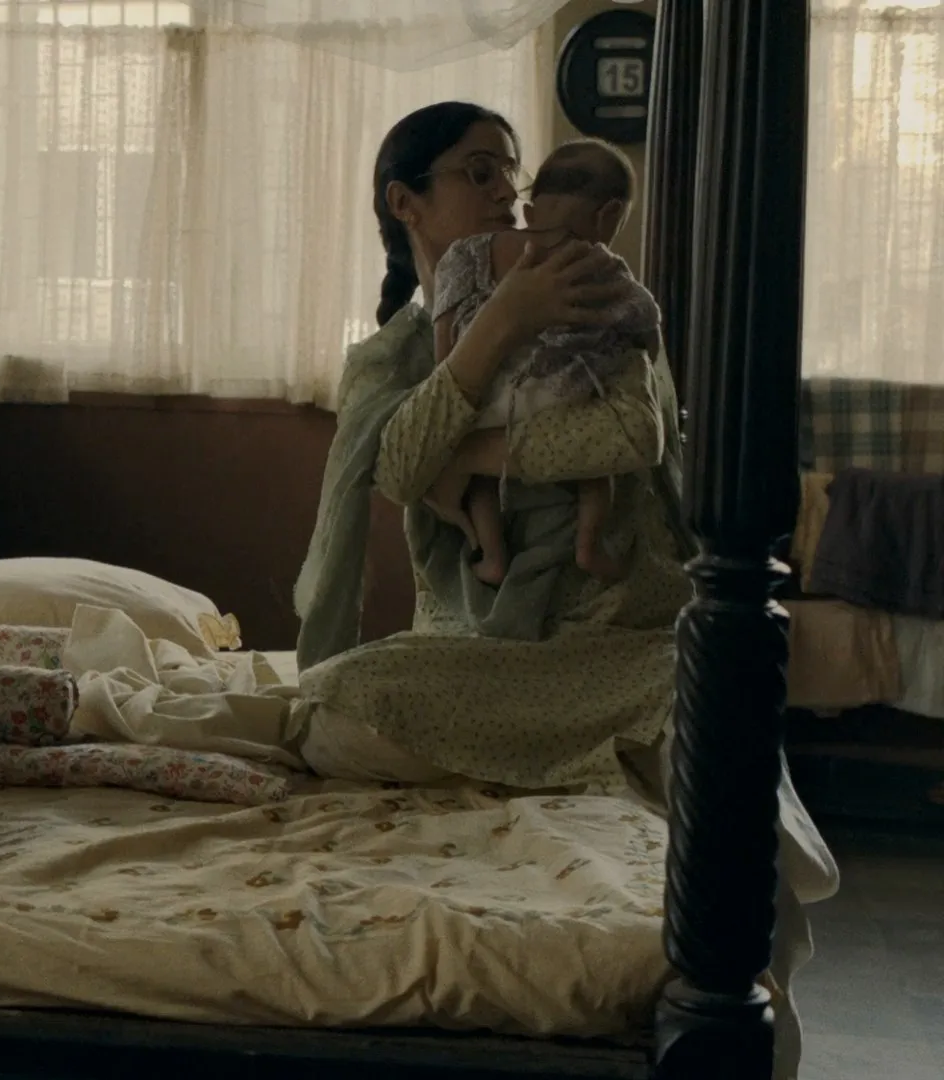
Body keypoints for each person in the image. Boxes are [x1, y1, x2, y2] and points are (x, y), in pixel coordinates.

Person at [289, 101, 836, 1080]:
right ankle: (583, 750)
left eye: (512, 170)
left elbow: (629, 436)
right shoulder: (388, 359)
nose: (507, 191)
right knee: (337, 699)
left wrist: (474, 448)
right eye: (478, 172)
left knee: (709, 698)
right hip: (489, 657)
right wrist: (498, 325)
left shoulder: (594, 285)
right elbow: (399, 468)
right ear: (406, 203)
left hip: (625, 636)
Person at [422, 138, 661, 586]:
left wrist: (454, 397)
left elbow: (446, 335)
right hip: (564, 389)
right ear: (608, 214)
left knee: (479, 479)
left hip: (487, 395)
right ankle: (589, 544)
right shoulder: (599, 263)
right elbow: (640, 314)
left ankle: (492, 553)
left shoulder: (467, 253)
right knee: (596, 468)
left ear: (530, 213)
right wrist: (649, 349)